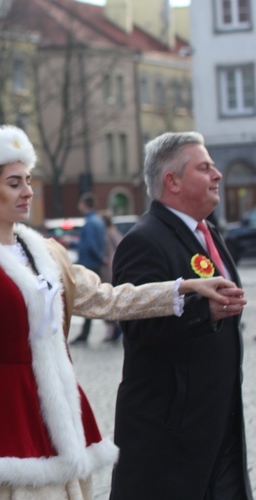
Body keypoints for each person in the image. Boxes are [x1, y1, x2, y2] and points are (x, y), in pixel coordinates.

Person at [0, 125, 245, 499]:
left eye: (28, 180)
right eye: (14, 183)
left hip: (57, 401)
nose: (28, 191)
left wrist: (183, 287)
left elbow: (107, 298)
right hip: (5, 404)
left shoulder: (47, 253)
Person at [110, 132, 251, 499]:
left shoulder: (209, 233)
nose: (217, 175)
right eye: (204, 168)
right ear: (172, 181)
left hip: (219, 424)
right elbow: (135, 322)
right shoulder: (143, 241)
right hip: (169, 439)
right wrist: (204, 311)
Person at [70, 193, 105, 345]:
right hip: (94, 264)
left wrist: (72, 244)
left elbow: (88, 245)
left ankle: (86, 334)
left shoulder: (90, 223)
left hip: (89, 264)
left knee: (91, 300)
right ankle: (85, 333)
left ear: (84, 204)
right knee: (94, 299)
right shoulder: (98, 221)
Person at [101, 210, 124, 343]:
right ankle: (113, 330)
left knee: (109, 299)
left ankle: (115, 330)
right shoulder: (111, 231)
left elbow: (119, 245)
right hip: (109, 267)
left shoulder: (109, 232)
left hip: (109, 268)